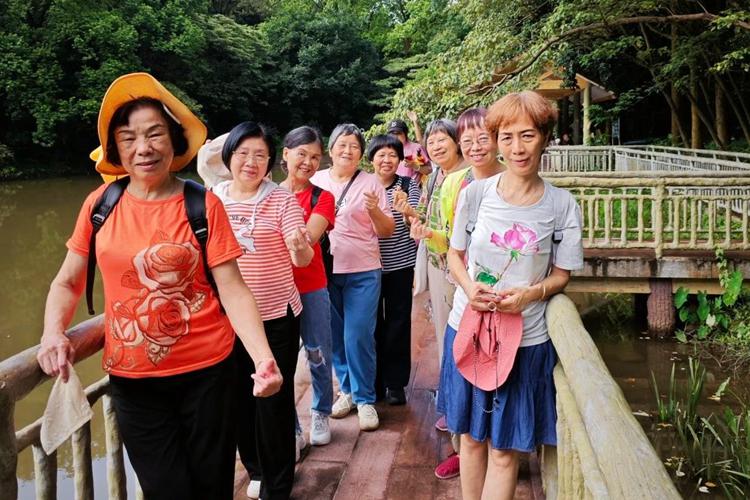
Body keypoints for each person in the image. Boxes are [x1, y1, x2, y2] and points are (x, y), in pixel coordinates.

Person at [36, 73, 283, 500]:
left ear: (174, 142)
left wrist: (264, 359)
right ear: (116, 149)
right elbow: (68, 280)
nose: (143, 147)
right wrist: (52, 333)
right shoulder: (101, 205)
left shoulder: (202, 204)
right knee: (165, 488)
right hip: (134, 382)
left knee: (210, 487)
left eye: (154, 134)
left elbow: (232, 288)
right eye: (128, 138)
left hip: (209, 374)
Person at [439, 91, 583, 499]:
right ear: (496, 140)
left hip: (525, 339)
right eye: (506, 137)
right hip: (469, 328)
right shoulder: (475, 194)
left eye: (527, 136)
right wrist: (469, 288)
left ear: (545, 138)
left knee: (504, 450)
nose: (517, 148)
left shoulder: (562, 205)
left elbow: (562, 276)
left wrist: (531, 294)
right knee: (469, 437)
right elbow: (454, 254)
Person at [200, 122, 313, 500]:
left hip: (276, 316)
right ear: (229, 155)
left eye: (260, 155)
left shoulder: (281, 200)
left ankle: (278, 486)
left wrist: (298, 247)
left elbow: (304, 257)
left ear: (270, 163)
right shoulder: (210, 198)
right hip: (225, 320)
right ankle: (257, 469)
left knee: (273, 402)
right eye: (243, 153)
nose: (251, 162)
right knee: (237, 401)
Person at [411, 108, 505, 479]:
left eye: (483, 137)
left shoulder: (513, 183)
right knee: (460, 364)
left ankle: (493, 450)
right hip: (462, 286)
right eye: (468, 139)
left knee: (492, 373)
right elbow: (451, 242)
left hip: (504, 300)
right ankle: (464, 447)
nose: (475, 146)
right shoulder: (453, 183)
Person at [310, 124, 394, 431]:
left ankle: (366, 398)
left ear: (362, 154)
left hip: (363, 270)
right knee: (334, 336)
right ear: (330, 150)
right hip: (326, 270)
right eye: (342, 145)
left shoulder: (371, 183)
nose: (348, 151)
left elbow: (386, 231)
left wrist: (374, 211)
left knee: (358, 334)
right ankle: (346, 391)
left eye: (354, 147)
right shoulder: (316, 180)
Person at [278, 126, 336, 449]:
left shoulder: (322, 197)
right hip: (276, 291)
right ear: (285, 154)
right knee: (282, 358)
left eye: (315, 157)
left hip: (312, 285)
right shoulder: (265, 193)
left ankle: (320, 411)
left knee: (318, 353)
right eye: (302, 154)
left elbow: (308, 240)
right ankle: (292, 427)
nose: (309, 162)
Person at [367, 134, 421, 405]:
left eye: (393, 155)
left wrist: (406, 210)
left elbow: (417, 220)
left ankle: (396, 383)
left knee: (399, 322)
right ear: (371, 158)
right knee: (372, 323)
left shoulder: (409, 184)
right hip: (368, 266)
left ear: (400, 160)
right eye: (381, 154)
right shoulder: (364, 185)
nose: (387, 160)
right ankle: (373, 382)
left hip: (401, 263)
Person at [387, 118, 432, 183]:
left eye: (398, 133)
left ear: (405, 133)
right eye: (392, 134)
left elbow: (429, 170)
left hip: (412, 190)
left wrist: (415, 166)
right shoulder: (387, 150)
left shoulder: (415, 149)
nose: (395, 137)